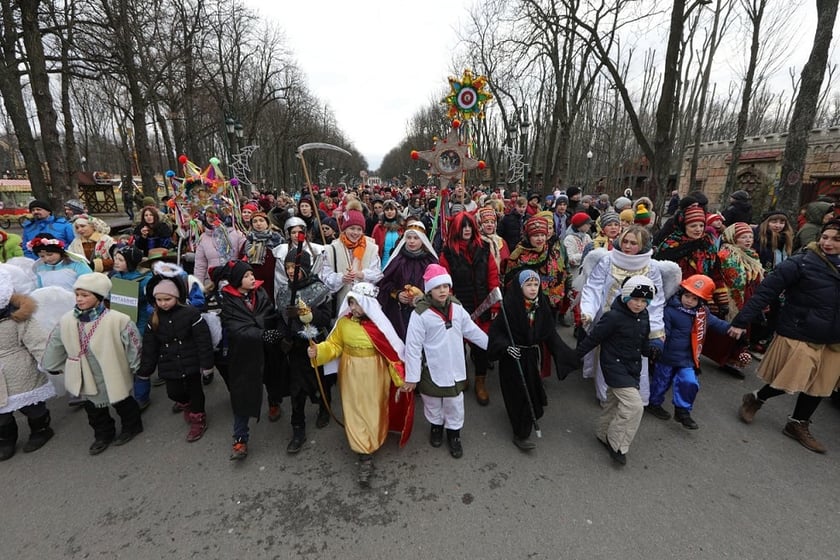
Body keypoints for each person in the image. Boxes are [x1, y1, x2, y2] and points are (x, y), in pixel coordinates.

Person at [732, 220, 840, 453]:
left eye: (836, 239)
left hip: (833, 337)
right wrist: (742, 320)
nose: (828, 243)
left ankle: (796, 424)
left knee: (821, 385)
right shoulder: (801, 263)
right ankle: (757, 397)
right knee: (792, 380)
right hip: (802, 331)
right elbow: (767, 291)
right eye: (826, 237)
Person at [308, 282, 412, 487]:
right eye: (351, 303)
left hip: (374, 373)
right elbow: (334, 345)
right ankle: (364, 454)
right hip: (350, 373)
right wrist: (319, 351)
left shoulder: (379, 327)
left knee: (373, 408)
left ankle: (372, 440)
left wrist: (401, 380)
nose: (353, 308)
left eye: (357, 304)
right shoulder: (344, 323)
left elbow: (392, 354)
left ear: (369, 304)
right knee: (353, 408)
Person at [42, 273, 143, 455]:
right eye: (77, 295)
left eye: (85, 295)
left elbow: (133, 344)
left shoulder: (118, 320)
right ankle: (103, 434)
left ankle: (132, 426)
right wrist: (51, 363)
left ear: (99, 297)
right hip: (85, 372)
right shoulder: (67, 321)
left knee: (122, 401)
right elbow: (56, 342)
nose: (79, 299)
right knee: (94, 409)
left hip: (113, 370)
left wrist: (136, 365)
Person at [402, 264, 488, 459]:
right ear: (429, 290)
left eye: (445, 286)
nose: (442, 291)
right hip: (431, 367)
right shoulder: (420, 314)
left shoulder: (457, 308)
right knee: (431, 401)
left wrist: (491, 345)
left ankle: (454, 433)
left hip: (455, 366)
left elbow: (471, 329)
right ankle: (436, 426)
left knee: (454, 402)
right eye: (437, 287)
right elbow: (413, 346)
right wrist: (412, 376)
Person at [487, 270, 577, 451]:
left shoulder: (541, 305)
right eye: (528, 285)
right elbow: (496, 334)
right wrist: (505, 347)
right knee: (518, 394)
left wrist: (569, 356)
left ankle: (527, 418)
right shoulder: (509, 306)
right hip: (513, 359)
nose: (533, 289)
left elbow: (549, 332)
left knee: (532, 388)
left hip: (531, 356)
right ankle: (520, 433)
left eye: (536, 284)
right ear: (520, 287)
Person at [579, 226, 668, 406]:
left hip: (637, 323)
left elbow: (657, 300)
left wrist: (656, 330)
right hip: (610, 320)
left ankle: (633, 396)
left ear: (642, 245)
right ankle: (606, 397)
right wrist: (588, 311)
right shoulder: (607, 260)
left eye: (633, 243)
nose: (627, 246)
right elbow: (594, 286)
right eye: (625, 241)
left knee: (635, 358)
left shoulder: (650, 267)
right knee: (608, 358)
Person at [576, 276, 659, 465]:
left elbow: (643, 340)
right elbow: (593, 338)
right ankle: (617, 443)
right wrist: (573, 358)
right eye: (635, 299)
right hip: (614, 365)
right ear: (626, 297)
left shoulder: (644, 315)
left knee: (613, 402)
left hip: (632, 366)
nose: (639, 304)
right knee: (634, 406)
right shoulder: (613, 316)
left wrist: (651, 351)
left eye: (644, 301)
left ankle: (602, 431)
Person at [646, 274, 736, 430]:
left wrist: (731, 329)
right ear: (681, 293)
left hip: (688, 358)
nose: (689, 301)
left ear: (701, 301)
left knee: (690, 382)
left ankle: (682, 412)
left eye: (695, 299)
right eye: (687, 296)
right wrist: (656, 347)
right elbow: (662, 332)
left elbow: (716, 323)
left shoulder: (703, 313)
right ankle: (653, 404)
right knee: (660, 383)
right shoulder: (669, 311)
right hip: (667, 357)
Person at [213, 260, 279, 460]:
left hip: (266, 348)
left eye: (252, 275)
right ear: (236, 280)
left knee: (271, 376)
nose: (252, 278)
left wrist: (272, 331)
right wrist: (261, 334)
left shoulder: (260, 293)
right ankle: (240, 437)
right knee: (243, 393)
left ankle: (274, 402)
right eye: (247, 276)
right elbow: (234, 327)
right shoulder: (227, 300)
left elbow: (269, 313)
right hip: (243, 353)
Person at [138, 276, 214, 441]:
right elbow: (150, 347)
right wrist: (145, 370)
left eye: (167, 299)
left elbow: (203, 340)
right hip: (169, 363)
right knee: (174, 392)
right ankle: (185, 404)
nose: (163, 303)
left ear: (177, 297)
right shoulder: (154, 319)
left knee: (195, 393)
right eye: (159, 299)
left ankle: (198, 418)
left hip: (191, 361)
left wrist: (207, 364)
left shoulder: (191, 314)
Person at [439, 211, 500, 405]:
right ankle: (462, 376)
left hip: (482, 305)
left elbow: (492, 275)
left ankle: (480, 381)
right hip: (459, 307)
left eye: (469, 226)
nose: (466, 229)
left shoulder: (484, 248)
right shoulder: (447, 252)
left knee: (481, 345)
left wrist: (495, 303)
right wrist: (449, 304)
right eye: (463, 226)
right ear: (456, 229)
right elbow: (445, 282)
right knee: (458, 346)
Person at [276, 249, 332, 451]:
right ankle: (298, 429)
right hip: (295, 351)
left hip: (315, 345)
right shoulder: (283, 292)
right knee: (296, 390)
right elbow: (279, 319)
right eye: (288, 267)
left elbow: (326, 318)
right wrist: (283, 337)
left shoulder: (318, 289)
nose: (291, 271)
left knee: (320, 382)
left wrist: (305, 312)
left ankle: (325, 408)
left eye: (295, 267)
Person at [0, 268, 55, 461]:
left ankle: (41, 429)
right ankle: (6, 439)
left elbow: (37, 341)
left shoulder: (18, 317)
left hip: (20, 368)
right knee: (1, 413)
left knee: (33, 406)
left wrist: (46, 360)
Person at [706, 223, 762, 377]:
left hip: (747, 298)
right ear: (734, 238)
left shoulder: (752, 255)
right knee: (728, 328)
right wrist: (721, 298)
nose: (748, 240)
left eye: (750, 237)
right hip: (730, 298)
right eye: (744, 237)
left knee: (743, 329)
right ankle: (726, 358)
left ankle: (735, 358)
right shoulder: (725, 255)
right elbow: (717, 276)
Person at [376, 220, 438, 340]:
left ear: (423, 240)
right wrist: (397, 294)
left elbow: (438, 286)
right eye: (409, 237)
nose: (412, 241)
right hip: (399, 313)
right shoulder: (398, 260)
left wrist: (424, 297)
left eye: (416, 238)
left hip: (425, 311)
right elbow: (384, 283)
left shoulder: (430, 262)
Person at [109, 244, 153, 409]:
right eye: (115, 259)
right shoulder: (115, 278)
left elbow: (150, 300)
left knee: (139, 357)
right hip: (120, 323)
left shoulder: (145, 279)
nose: (116, 262)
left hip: (140, 321)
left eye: (121, 259)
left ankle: (142, 396)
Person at [321, 209, 383, 314]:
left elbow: (377, 274)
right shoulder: (331, 249)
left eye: (359, 229)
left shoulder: (372, 248)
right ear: (344, 229)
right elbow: (325, 277)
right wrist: (341, 278)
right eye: (352, 228)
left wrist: (362, 274)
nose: (355, 233)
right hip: (341, 304)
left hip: (364, 306)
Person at [749, 210, 794, 355]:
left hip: (779, 283)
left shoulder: (785, 240)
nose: (778, 225)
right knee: (760, 312)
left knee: (774, 313)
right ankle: (753, 341)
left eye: (782, 222)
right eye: (774, 221)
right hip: (763, 282)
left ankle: (762, 340)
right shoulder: (759, 240)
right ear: (766, 222)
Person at [193, 206, 246, 287]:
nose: (210, 218)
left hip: (235, 281)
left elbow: (245, 256)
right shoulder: (203, 238)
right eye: (207, 216)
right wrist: (198, 287)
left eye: (213, 215)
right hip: (213, 282)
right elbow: (200, 266)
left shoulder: (236, 234)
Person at [371, 200, 404, 267]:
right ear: (384, 212)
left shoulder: (402, 227)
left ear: (396, 211)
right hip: (383, 264)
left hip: (399, 264)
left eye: (392, 209)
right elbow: (373, 246)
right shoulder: (378, 227)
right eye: (387, 209)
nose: (389, 212)